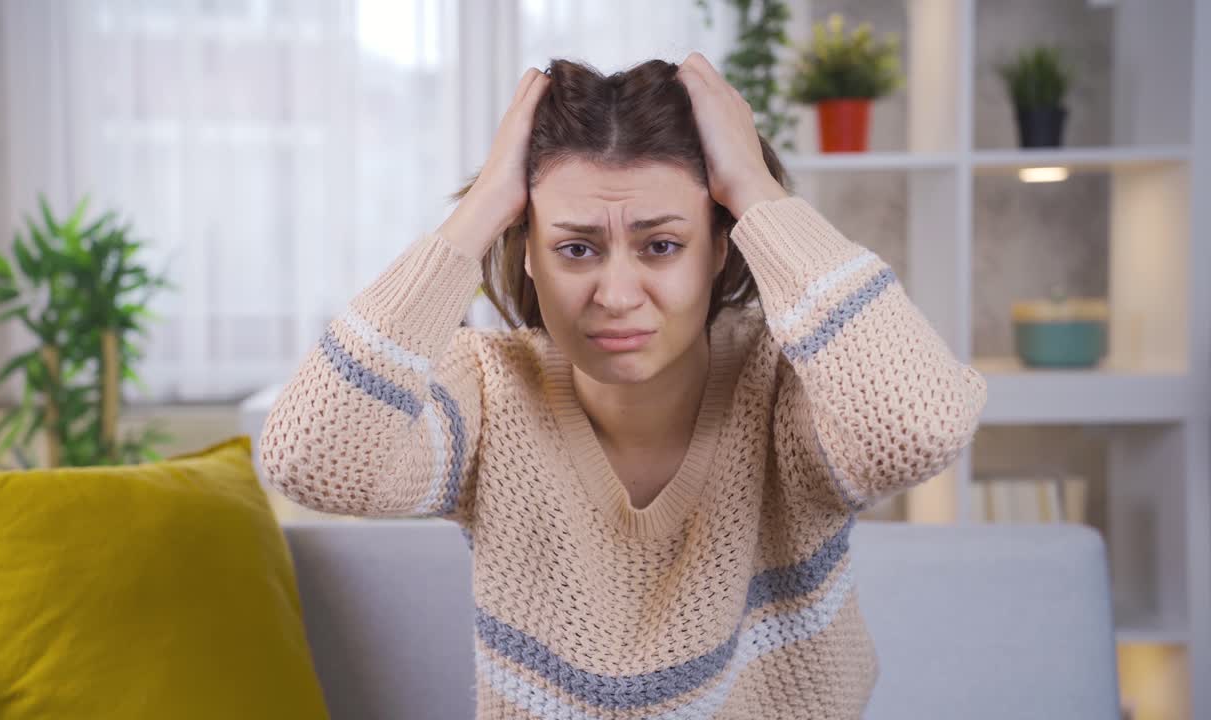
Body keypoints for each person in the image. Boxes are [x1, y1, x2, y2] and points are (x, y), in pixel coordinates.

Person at [259, 52, 988, 719]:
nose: (615, 295)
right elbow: (310, 462)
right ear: (529, 254)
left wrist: (755, 189)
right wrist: (478, 213)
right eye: (576, 249)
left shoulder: (790, 387)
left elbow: (916, 427)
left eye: (661, 245)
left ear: (719, 247)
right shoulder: (487, 392)